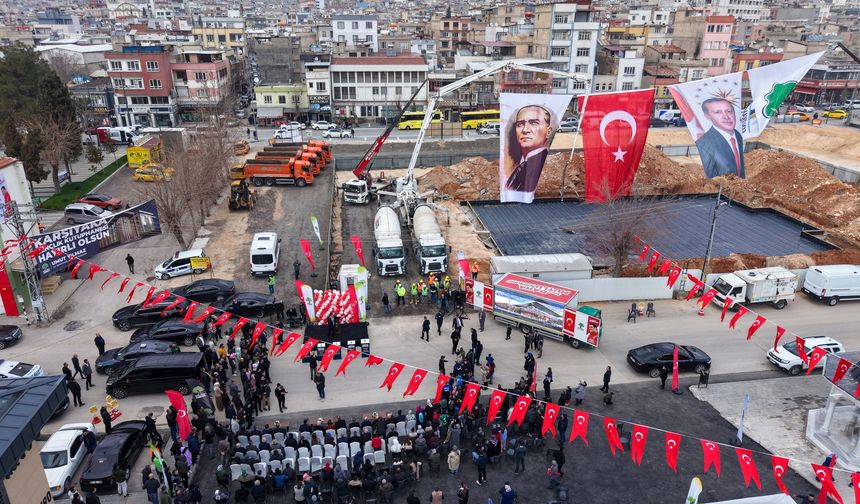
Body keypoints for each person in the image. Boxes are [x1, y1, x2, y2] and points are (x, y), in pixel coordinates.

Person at [502, 105, 554, 203]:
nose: (525, 130)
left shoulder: (545, 166)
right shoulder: (520, 166)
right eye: (520, 124)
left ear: (548, 132)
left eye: (534, 123)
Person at [694, 97, 746, 178]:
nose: (726, 117)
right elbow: (711, 175)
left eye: (729, 111)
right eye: (718, 112)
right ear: (707, 116)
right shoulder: (704, 143)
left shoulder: (738, 135)